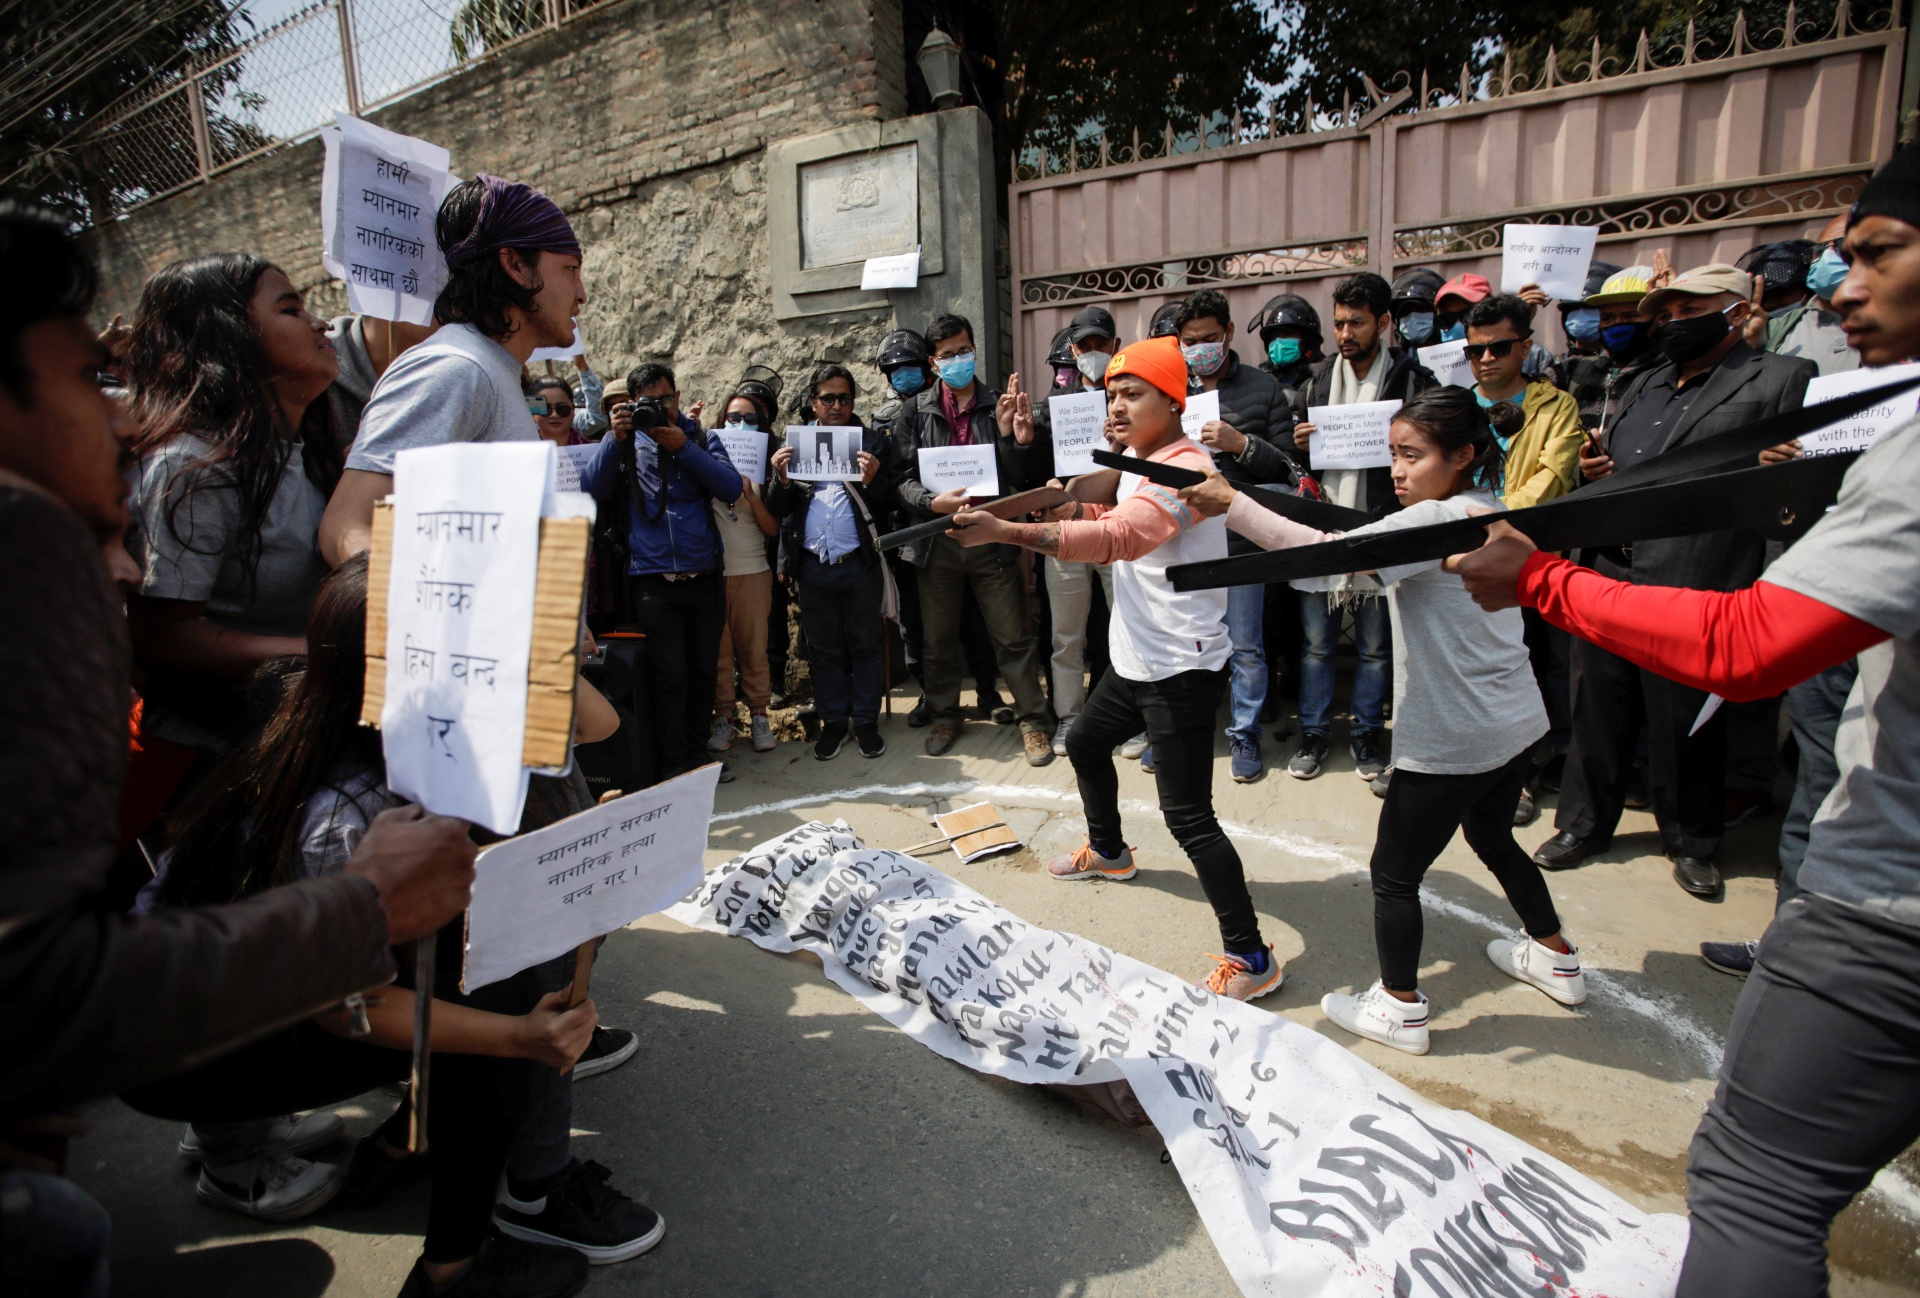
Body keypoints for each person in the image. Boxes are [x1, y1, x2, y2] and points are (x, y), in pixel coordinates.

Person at [1448, 147, 1920, 1295]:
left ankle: (1696, 841)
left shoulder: (1869, 423)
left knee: (1758, 1180)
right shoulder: (1651, 389)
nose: (1842, 287)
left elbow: (1744, 648)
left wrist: (1543, 582)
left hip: (1890, 907)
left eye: (1874, 254)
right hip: (1651, 590)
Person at [0, 195, 476, 1298]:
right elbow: (167, 634)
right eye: (84, 377)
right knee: (222, 912)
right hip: (211, 755)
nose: (126, 425)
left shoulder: (312, 445)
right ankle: (230, 1147)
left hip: (284, 741)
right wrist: (320, 657)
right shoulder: (129, 500)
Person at [127, 555, 630, 1297]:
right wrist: (518, 1038)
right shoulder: (346, 809)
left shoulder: (360, 718)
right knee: (493, 1012)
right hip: (183, 1051)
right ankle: (453, 1272)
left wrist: (537, 635)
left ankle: (399, 1146)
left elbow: (596, 723)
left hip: (237, 1002)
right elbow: (349, 1010)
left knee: (475, 972)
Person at [1182, 388, 1582, 1053]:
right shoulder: (1488, 506)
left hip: (1457, 735)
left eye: (1414, 456)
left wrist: (1233, 503)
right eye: (1393, 454)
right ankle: (1556, 955)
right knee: (1494, 839)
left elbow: (1323, 555)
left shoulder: (1432, 522)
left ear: (1463, 455)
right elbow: (1349, 555)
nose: (1398, 471)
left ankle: (1400, 1005)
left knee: (1394, 874)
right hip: (1514, 724)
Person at [950, 335, 1281, 1000]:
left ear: (1173, 400)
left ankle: (1251, 956)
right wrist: (1048, 507)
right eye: (1112, 395)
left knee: (1189, 819)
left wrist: (1009, 532)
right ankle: (1110, 850)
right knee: (1087, 741)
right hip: (1138, 657)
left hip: (1179, 668)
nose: (1117, 407)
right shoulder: (1139, 458)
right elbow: (1107, 513)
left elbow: (1123, 538)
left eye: (1133, 394)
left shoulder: (1186, 469)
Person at [1534, 263, 1817, 898]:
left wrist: (1786, 473)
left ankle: (1692, 840)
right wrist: (1591, 471)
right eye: (1670, 312)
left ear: (1740, 313)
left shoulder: (1781, 380)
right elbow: (1609, 471)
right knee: (1598, 710)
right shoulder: (1644, 381)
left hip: (1697, 577)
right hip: (1610, 569)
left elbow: (1803, 481)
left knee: (1683, 721)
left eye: (1693, 310)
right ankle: (1583, 824)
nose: (1675, 323)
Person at [124, 255, 340, 759]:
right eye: (290, 309)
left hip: (305, 732)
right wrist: (330, 654)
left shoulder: (312, 449)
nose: (320, 322)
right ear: (224, 339)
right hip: (223, 758)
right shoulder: (193, 467)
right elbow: (164, 637)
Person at [318, 173, 587, 563]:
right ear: (514, 264)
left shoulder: (492, 371)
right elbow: (348, 527)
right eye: (570, 269)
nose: (582, 293)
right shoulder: (456, 368)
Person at [1288, 272, 1437, 781]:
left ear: (1384, 322)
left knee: (1375, 648)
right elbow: (1291, 463)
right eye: (1338, 324)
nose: (1345, 333)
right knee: (1316, 646)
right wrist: (1300, 444)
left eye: (1357, 323)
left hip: (1382, 527)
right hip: (1323, 530)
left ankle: (1367, 734)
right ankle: (1314, 734)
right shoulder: (1316, 382)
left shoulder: (1414, 382)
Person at [890, 311, 1055, 764]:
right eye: (948, 355)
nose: (958, 360)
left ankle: (1035, 722)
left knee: (1012, 636)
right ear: (933, 361)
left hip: (989, 536)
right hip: (937, 540)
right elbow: (901, 479)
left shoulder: (998, 404)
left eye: (964, 350)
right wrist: (930, 503)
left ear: (974, 349)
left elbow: (1021, 479)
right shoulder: (914, 412)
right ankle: (946, 714)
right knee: (938, 639)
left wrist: (1013, 438)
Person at [580, 361, 740, 780]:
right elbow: (590, 489)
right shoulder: (625, 442)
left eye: (667, 399)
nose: (661, 407)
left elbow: (730, 487)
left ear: (678, 397)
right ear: (633, 403)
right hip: (653, 580)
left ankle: (698, 756)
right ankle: (673, 765)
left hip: (703, 574)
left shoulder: (701, 437)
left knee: (704, 672)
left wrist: (683, 447)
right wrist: (616, 439)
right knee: (670, 677)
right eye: (650, 401)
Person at [1176, 289, 1295, 782]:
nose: (1200, 348)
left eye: (1209, 338)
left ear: (1228, 333)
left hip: (1240, 538)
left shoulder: (1263, 389)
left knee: (1246, 645)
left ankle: (1244, 733)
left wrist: (1241, 444)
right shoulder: (1170, 388)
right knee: (1189, 645)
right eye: (1189, 341)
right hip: (1184, 535)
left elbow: (1289, 467)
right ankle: (1181, 732)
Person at [769, 363, 897, 760]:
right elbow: (779, 510)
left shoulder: (872, 442)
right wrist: (782, 479)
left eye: (844, 398)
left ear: (853, 402)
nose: (837, 405)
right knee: (824, 650)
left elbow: (889, 504)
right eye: (828, 398)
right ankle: (834, 724)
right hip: (813, 567)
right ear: (813, 403)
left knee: (865, 646)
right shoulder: (798, 445)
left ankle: (865, 723)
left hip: (859, 564)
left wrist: (874, 479)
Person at [1028, 305, 1123, 756]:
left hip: (1120, 530)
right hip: (1066, 534)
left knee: (1127, 627)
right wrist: (1022, 443)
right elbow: (1031, 472)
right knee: (1066, 635)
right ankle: (1069, 717)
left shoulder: (1130, 399)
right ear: (1072, 350)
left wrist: (1120, 443)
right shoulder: (1051, 410)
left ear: (1115, 346)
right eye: (1084, 346)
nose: (1092, 353)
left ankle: (1131, 718)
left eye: (1100, 344)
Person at [708, 377, 782, 756]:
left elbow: (773, 530)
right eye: (733, 418)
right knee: (719, 654)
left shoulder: (767, 467)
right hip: (714, 574)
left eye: (749, 419)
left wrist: (751, 494)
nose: (740, 425)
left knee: (754, 649)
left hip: (753, 570)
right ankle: (723, 717)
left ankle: (759, 715)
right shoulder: (703, 458)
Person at [1388, 267, 1445, 351]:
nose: (1413, 317)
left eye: (1421, 310)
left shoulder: (1459, 356)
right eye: (1405, 312)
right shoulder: (1393, 361)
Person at [527, 373, 580, 445]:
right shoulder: (522, 454)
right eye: (545, 409)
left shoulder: (594, 452)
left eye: (562, 409)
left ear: (573, 409)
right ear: (532, 412)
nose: (554, 415)